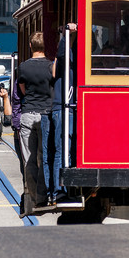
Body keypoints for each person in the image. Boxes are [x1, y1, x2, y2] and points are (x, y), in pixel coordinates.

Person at [17, 32, 54, 215]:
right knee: (43, 158)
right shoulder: (51, 66)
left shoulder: (23, 67)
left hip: (28, 115)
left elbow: (23, 91)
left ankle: (33, 197)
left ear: (30, 46)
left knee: (29, 159)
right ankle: (43, 195)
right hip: (45, 115)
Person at [51, 23, 77, 204]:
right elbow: (61, 54)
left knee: (66, 149)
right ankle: (59, 190)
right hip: (62, 107)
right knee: (62, 150)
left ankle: (65, 188)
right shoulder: (63, 54)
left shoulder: (72, 54)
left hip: (68, 107)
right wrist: (65, 33)